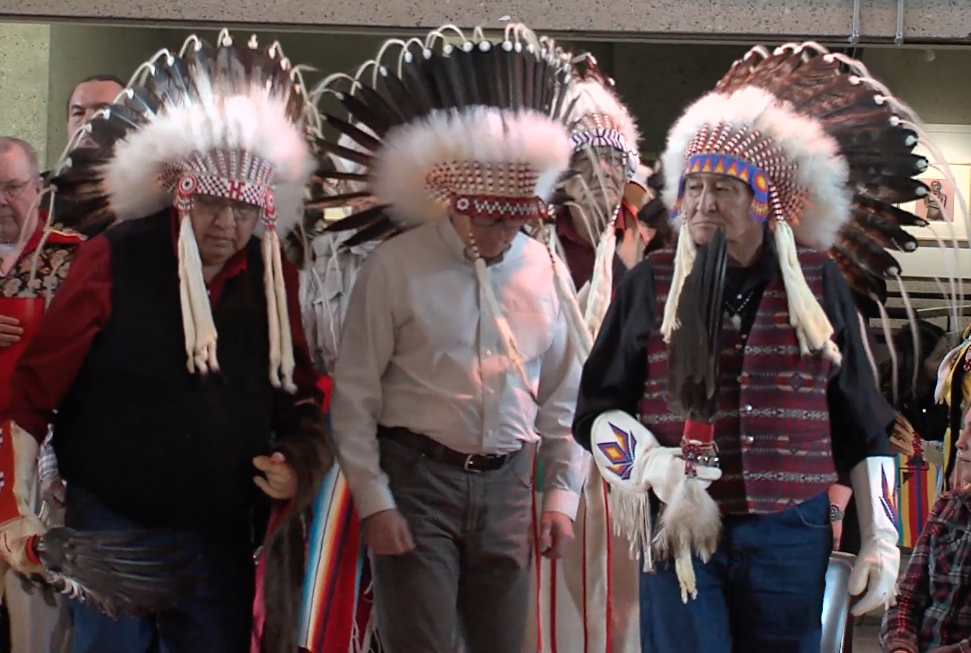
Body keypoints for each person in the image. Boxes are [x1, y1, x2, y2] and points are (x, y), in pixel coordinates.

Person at [572, 42, 942, 652]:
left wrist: (881, 535)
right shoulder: (650, 284)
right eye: (692, 186)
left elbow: (861, 420)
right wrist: (650, 465)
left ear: (763, 200)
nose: (703, 202)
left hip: (789, 532)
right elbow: (594, 412)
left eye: (724, 187)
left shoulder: (817, 282)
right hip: (682, 527)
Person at [0, 30, 331, 653]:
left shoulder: (270, 273)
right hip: (112, 525)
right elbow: (33, 392)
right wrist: (18, 508)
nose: (226, 225)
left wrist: (296, 461)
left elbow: (299, 394)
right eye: (210, 205)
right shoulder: (113, 256)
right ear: (180, 194)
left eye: (243, 210)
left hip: (218, 528)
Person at [318, 24, 588, 653]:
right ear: (457, 204)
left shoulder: (541, 265)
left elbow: (563, 395)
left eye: (518, 219)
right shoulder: (398, 265)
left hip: (510, 483)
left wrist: (561, 496)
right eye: (493, 219)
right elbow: (355, 395)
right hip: (417, 479)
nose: (506, 233)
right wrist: (375, 500)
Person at [526, 54, 645, 653]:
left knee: (616, 614)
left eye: (615, 164)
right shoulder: (523, 251)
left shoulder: (642, 258)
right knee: (536, 618)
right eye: (589, 162)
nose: (602, 177)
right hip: (530, 462)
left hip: (621, 467)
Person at [0, 136, 84, 653]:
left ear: (39, 187)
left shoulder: (77, 259)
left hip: (45, 459)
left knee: (38, 625)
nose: (1, 202)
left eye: (11, 188)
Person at [880, 400, 971, 653]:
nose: (960, 442)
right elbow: (905, 596)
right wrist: (900, 647)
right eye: (963, 428)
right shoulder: (948, 506)